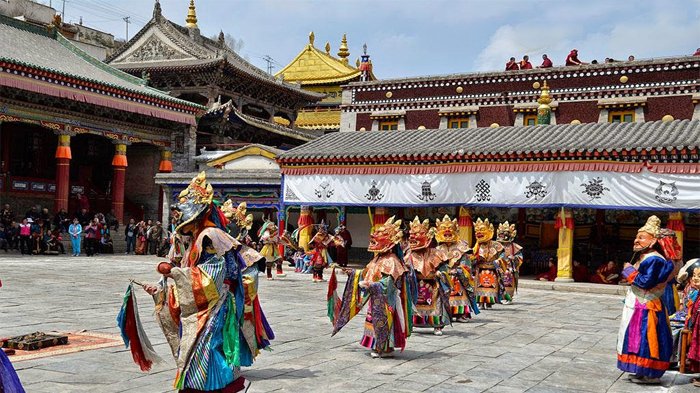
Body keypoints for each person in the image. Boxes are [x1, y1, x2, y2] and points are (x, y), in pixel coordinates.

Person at [136, 172, 271, 391]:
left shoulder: (211, 236)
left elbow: (211, 277)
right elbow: (192, 273)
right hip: (205, 304)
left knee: (205, 351)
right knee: (199, 354)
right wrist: (161, 291)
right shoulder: (197, 238)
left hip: (215, 306)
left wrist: (175, 273)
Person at [334, 216, 413, 358]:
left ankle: (384, 347)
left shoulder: (392, 261)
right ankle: (378, 346)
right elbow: (367, 273)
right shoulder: (377, 259)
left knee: (384, 322)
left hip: (386, 301)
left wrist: (372, 285)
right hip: (375, 298)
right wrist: (353, 273)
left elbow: (388, 284)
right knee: (373, 321)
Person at [617, 215, 675, 384]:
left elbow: (646, 282)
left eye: (641, 237)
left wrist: (628, 271)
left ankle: (651, 373)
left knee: (647, 338)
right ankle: (639, 370)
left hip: (648, 306)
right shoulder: (646, 255)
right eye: (637, 236)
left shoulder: (654, 259)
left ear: (653, 241)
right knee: (635, 338)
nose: (636, 240)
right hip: (640, 305)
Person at [404, 217, 451, 335]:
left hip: (432, 284)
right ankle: (413, 324)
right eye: (411, 234)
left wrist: (440, 273)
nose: (412, 237)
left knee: (436, 305)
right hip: (416, 285)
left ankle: (437, 326)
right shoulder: (409, 254)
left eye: (417, 234)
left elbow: (444, 268)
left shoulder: (436, 253)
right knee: (415, 305)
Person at [435, 215, 478, 321]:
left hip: (457, 277)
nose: (447, 232)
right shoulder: (437, 249)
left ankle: (460, 314)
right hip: (443, 277)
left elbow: (466, 265)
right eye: (444, 230)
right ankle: (444, 313)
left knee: (458, 291)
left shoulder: (461, 247)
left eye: (450, 230)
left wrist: (459, 270)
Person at [496, 221, 524, 303]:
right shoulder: (497, 245)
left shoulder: (514, 247)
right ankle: (499, 297)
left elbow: (520, 257)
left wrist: (514, 258)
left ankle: (509, 297)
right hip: (499, 267)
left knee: (508, 281)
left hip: (509, 267)